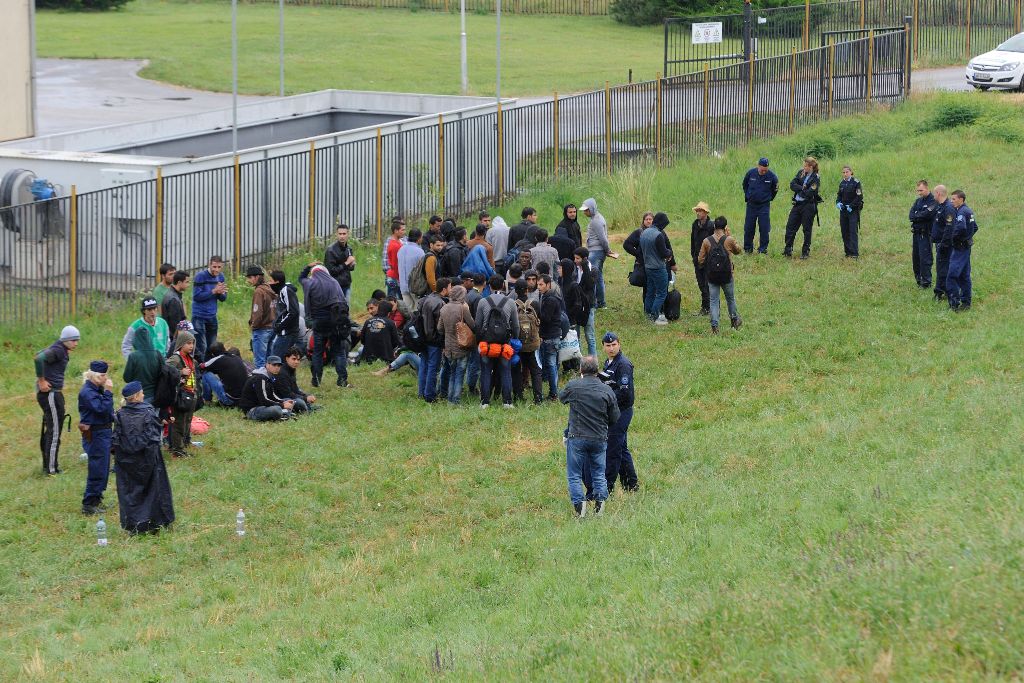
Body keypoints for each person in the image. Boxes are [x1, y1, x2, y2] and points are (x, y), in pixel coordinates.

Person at [559, 356, 620, 518]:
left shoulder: (574, 386)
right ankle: (599, 508)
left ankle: (580, 508)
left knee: (574, 474)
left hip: (577, 436)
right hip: (599, 438)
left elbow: (561, 397)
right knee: (599, 473)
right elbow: (615, 417)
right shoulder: (606, 390)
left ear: (581, 370)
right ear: (597, 370)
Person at [113, 381, 175, 534]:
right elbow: (153, 438)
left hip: (127, 461)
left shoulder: (120, 414)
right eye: (141, 393)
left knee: (130, 492)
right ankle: (155, 522)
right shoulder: (148, 411)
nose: (144, 395)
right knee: (154, 490)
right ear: (136, 397)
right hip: (148, 459)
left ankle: (134, 524)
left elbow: (115, 440)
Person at [35, 325, 80, 475]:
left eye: (77, 340)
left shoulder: (59, 347)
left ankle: (47, 464)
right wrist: (41, 381)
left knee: (50, 429)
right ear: (66, 340)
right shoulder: (59, 350)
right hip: (51, 395)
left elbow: (39, 353)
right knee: (54, 432)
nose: (76, 343)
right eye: (74, 340)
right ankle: (52, 469)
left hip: (52, 394)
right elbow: (38, 358)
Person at [300, 263, 351, 388]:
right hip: (335, 321)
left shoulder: (310, 283)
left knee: (318, 352)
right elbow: (343, 302)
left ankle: (316, 380)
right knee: (339, 351)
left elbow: (301, 278)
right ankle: (342, 380)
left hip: (319, 322)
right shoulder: (334, 282)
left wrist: (307, 267)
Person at [600, 332, 637, 492]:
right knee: (621, 447)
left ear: (619, 344)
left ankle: (608, 486)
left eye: (614, 345)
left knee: (613, 449)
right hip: (613, 412)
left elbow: (625, 392)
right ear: (603, 347)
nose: (611, 348)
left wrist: (606, 398)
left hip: (621, 412)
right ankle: (630, 483)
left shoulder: (623, 365)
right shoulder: (608, 363)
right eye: (608, 346)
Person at [476, 275, 519, 408]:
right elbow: (516, 325)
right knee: (506, 371)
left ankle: (485, 402)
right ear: (503, 286)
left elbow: (478, 324)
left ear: (489, 286)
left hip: (487, 343)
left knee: (485, 371)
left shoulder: (483, 301)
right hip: (504, 343)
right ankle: (507, 402)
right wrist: (514, 339)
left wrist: (479, 340)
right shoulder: (510, 302)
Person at [79, 361, 115, 515]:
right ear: (93, 376)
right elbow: (101, 409)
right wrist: (108, 392)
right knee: (97, 468)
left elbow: (107, 411)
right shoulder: (87, 392)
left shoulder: (97, 389)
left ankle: (97, 499)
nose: (105, 378)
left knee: (103, 468)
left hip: (104, 432)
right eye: (102, 375)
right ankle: (89, 504)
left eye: (106, 374)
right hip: (95, 434)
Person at [698, 216, 744, 334]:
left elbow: (700, 260)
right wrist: (729, 236)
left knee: (713, 300)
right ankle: (734, 320)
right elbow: (738, 251)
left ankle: (715, 326)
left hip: (712, 276)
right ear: (725, 227)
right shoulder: (729, 240)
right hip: (727, 275)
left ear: (714, 226)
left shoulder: (706, 241)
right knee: (730, 298)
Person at [439, 285, 476, 404]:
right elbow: (472, 325)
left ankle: (450, 399)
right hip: (461, 347)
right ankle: (456, 399)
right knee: (460, 374)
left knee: (452, 373)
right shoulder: (462, 308)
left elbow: (439, 328)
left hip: (448, 347)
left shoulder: (444, 308)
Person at [166, 331, 200, 458]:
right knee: (178, 423)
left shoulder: (190, 358)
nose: (191, 346)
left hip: (190, 394)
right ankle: (177, 450)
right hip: (180, 395)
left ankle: (184, 443)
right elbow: (165, 370)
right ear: (181, 344)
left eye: (192, 343)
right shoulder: (175, 358)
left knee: (187, 421)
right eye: (188, 343)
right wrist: (180, 372)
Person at [782, 156, 822, 259]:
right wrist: (802, 187)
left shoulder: (815, 177)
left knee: (807, 229)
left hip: (808, 205)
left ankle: (805, 251)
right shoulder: (801, 172)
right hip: (797, 204)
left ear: (811, 167)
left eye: (805, 166)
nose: (804, 167)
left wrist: (801, 190)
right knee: (790, 227)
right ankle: (788, 249)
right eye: (804, 165)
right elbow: (792, 184)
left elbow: (810, 192)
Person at [417, 277, 450, 403]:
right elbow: (440, 325)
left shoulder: (426, 299)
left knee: (424, 365)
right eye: (450, 287)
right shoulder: (439, 303)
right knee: (433, 368)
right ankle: (430, 395)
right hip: (434, 340)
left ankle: (422, 392)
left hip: (423, 338)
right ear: (444, 289)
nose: (450, 289)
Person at [511, 280, 543, 405]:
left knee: (517, 370)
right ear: (527, 290)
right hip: (532, 345)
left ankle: (518, 396)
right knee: (536, 371)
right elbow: (539, 320)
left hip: (517, 345)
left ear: (515, 291)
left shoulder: (512, 304)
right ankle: (538, 398)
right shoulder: (534, 303)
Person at [191, 256, 228, 362]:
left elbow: (223, 298)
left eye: (219, 267)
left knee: (212, 346)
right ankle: (201, 369)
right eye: (214, 266)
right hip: (199, 315)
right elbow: (196, 296)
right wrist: (213, 291)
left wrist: (221, 293)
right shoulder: (200, 276)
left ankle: (210, 366)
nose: (216, 269)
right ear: (209, 265)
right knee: (201, 345)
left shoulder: (221, 277)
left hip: (212, 315)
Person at [945, 189, 977, 311]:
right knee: (964, 276)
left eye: (954, 199)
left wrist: (954, 237)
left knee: (952, 276)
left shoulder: (961, 213)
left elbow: (961, 227)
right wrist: (968, 237)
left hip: (959, 249)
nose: (951, 201)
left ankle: (954, 304)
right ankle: (966, 303)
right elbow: (975, 227)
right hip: (966, 247)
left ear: (961, 199)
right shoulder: (968, 210)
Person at [582, 198, 616, 309]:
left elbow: (603, 239)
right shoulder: (596, 218)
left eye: (586, 210)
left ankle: (598, 303)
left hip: (596, 252)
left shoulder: (596, 221)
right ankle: (601, 302)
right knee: (598, 276)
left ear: (592, 209)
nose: (584, 212)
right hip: (597, 251)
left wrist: (607, 250)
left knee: (594, 277)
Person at [640, 212, 673, 324]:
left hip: (648, 267)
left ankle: (648, 313)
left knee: (650, 291)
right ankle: (655, 316)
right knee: (661, 293)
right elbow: (664, 252)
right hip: (658, 267)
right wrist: (669, 252)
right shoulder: (658, 235)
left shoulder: (644, 232)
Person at [239, 356, 295, 421]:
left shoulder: (270, 377)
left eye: (279, 365)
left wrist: (283, 401)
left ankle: (284, 414)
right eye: (274, 365)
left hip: (262, 407)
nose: (277, 367)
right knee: (276, 410)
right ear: (267, 365)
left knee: (287, 400)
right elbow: (264, 400)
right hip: (252, 410)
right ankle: (284, 414)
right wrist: (282, 405)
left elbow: (272, 396)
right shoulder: (260, 378)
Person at [742, 156, 779, 254]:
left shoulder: (772, 177)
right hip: (751, 205)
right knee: (749, 227)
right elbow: (745, 185)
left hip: (764, 206)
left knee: (764, 228)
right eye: (762, 170)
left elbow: (775, 190)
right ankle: (748, 248)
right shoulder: (750, 173)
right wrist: (748, 195)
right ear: (758, 166)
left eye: (765, 170)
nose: (764, 172)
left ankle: (763, 249)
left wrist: (768, 198)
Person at [537, 274, 563, 401]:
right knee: (552, 364)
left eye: (541, 284)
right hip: (553, 335)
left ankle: (553, 393)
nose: (539, 287)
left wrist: (537, 313)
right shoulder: (548, 297)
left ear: (548, 284)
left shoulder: (550, 299)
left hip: (550, 336)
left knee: (551, 364)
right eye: (538, 284)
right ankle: (554, 391)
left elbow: (546, 318)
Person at [199, 342, 249, 407]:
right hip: (243, 398)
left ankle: (207, 400)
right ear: (224, 348)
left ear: (212, 354)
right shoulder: (235, 357)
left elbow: (201, 367)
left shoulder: (217, 359)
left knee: (206, 374)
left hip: (230, 400)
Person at [909, 180, 937, 289]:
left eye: (921, 190)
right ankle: (918, 279)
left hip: (926, 234)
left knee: (925, 258)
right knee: (916, 258)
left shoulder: (933, 201)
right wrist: (919, 216)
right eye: (918, 191)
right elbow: (911, 215)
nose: (919, 193)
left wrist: (918, 215)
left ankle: (926, 282)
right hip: (916, 233)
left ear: (927, 188)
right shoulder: (918, 201)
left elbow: (928, 214)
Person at [245, 265, 275, 369]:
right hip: (271, 327)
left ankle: (261, 384)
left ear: (257, 277)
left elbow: (257, 312)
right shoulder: (269, 288)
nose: (248, 281)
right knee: (269, 361)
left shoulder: (259, 291)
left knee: (260, 362)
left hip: (261, 330)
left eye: (250, 278)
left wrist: (254, 326)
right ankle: (270, 383)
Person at [123, 327, 163, 403]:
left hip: (138, 397)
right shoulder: (158, 354)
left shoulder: (133, 356)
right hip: (157, 396)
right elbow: (163, 374)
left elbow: (127, 378)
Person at [269, 270, 300, 360]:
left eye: (270, 281)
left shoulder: (285, 291)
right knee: (284, 360)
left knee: (275, 360)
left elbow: (293, 311)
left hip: (287, 333)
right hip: (285, 332)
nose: (269, 283)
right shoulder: (281, 292)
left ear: (277, 282)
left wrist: (279, 326)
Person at [689, 202, 714, 316]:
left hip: (708, 260)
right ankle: (705, 307)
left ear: (705, 212)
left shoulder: (711, 226)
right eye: (697, 211)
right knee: (700, 284)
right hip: (697, 259)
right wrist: (693, 255)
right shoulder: (695, 224)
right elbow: (692, 241)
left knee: (707, 283)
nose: (698, 213)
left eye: (700, 211)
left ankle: (708, 307)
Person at [358, 300, 402, 364]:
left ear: (378, 309)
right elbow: (395, 342)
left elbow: (362, 340)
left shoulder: (367, 321)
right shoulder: (391, 323)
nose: (370, 311)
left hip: (368, 357)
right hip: (386, 357)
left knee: (360, 349)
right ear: (389, 313)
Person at [931, 184, 955, 302]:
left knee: (942, 268)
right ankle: (945, 289)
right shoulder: (940, 207)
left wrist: (943, 244)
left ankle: (939, 292)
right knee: (942, 267)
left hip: (944, 245)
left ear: (938, 194)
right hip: (940, 243)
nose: (933, 195)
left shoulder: (948, 208)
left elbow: (949, 228)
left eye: (934, 193)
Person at [836, 165, 864, 259]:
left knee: (852, 231)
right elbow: (839, 195)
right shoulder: (842, 183)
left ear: (851, 172)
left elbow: (859, 197)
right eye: (843, 172)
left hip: (852, 210)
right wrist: (838, 203)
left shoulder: (856, 182)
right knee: (844, 231)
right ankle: (847, 252)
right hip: (843, 210)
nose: (845, 174)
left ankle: (854, 253)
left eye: (847, 172)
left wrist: (851, 206)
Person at [277, 347, 318, 413]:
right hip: (281, 399)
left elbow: (295, 389)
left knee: (306, 395)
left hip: (289, 396)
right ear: (287, 359)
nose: (296, 362)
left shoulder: (292, 369)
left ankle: (307, 407)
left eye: (298, 360)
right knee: (300, 402)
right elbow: (287, 394)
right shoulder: (281, 373)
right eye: (294, 359)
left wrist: (306, 396)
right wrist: (305, 398)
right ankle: (306, 410)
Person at [324, 224, 356, 303]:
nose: (342, 236)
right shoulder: (330, 250)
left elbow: (350, 268)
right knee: (336, 311)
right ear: (336, 235)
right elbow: (331, 271)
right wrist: (347, 263)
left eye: (344, 234)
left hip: (347, 284)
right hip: (335, 286)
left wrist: (352, 264)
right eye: (340, 234)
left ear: (348, 234)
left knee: (346, 309)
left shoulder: (349, 248)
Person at [397, 228, 425, 312]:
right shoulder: (420, 252)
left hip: (403, 286)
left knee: (408, 313)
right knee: (418, 311)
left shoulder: (401, 250)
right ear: (419, 238)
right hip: (415, 288)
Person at [161, 271, 190, 343]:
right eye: (187, 282)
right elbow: (175, 325)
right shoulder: (174, 299)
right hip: (174, 340)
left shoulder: (173, 295)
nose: (188, 285)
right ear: (179, 283)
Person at [385, 217, 406, 300]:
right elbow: (395, 264)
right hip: (395, 278)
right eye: (402, 230)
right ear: (396, 231)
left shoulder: (396, 242)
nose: (404, 232)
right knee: (395, 304)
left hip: (394, 277)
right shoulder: (395, 245)